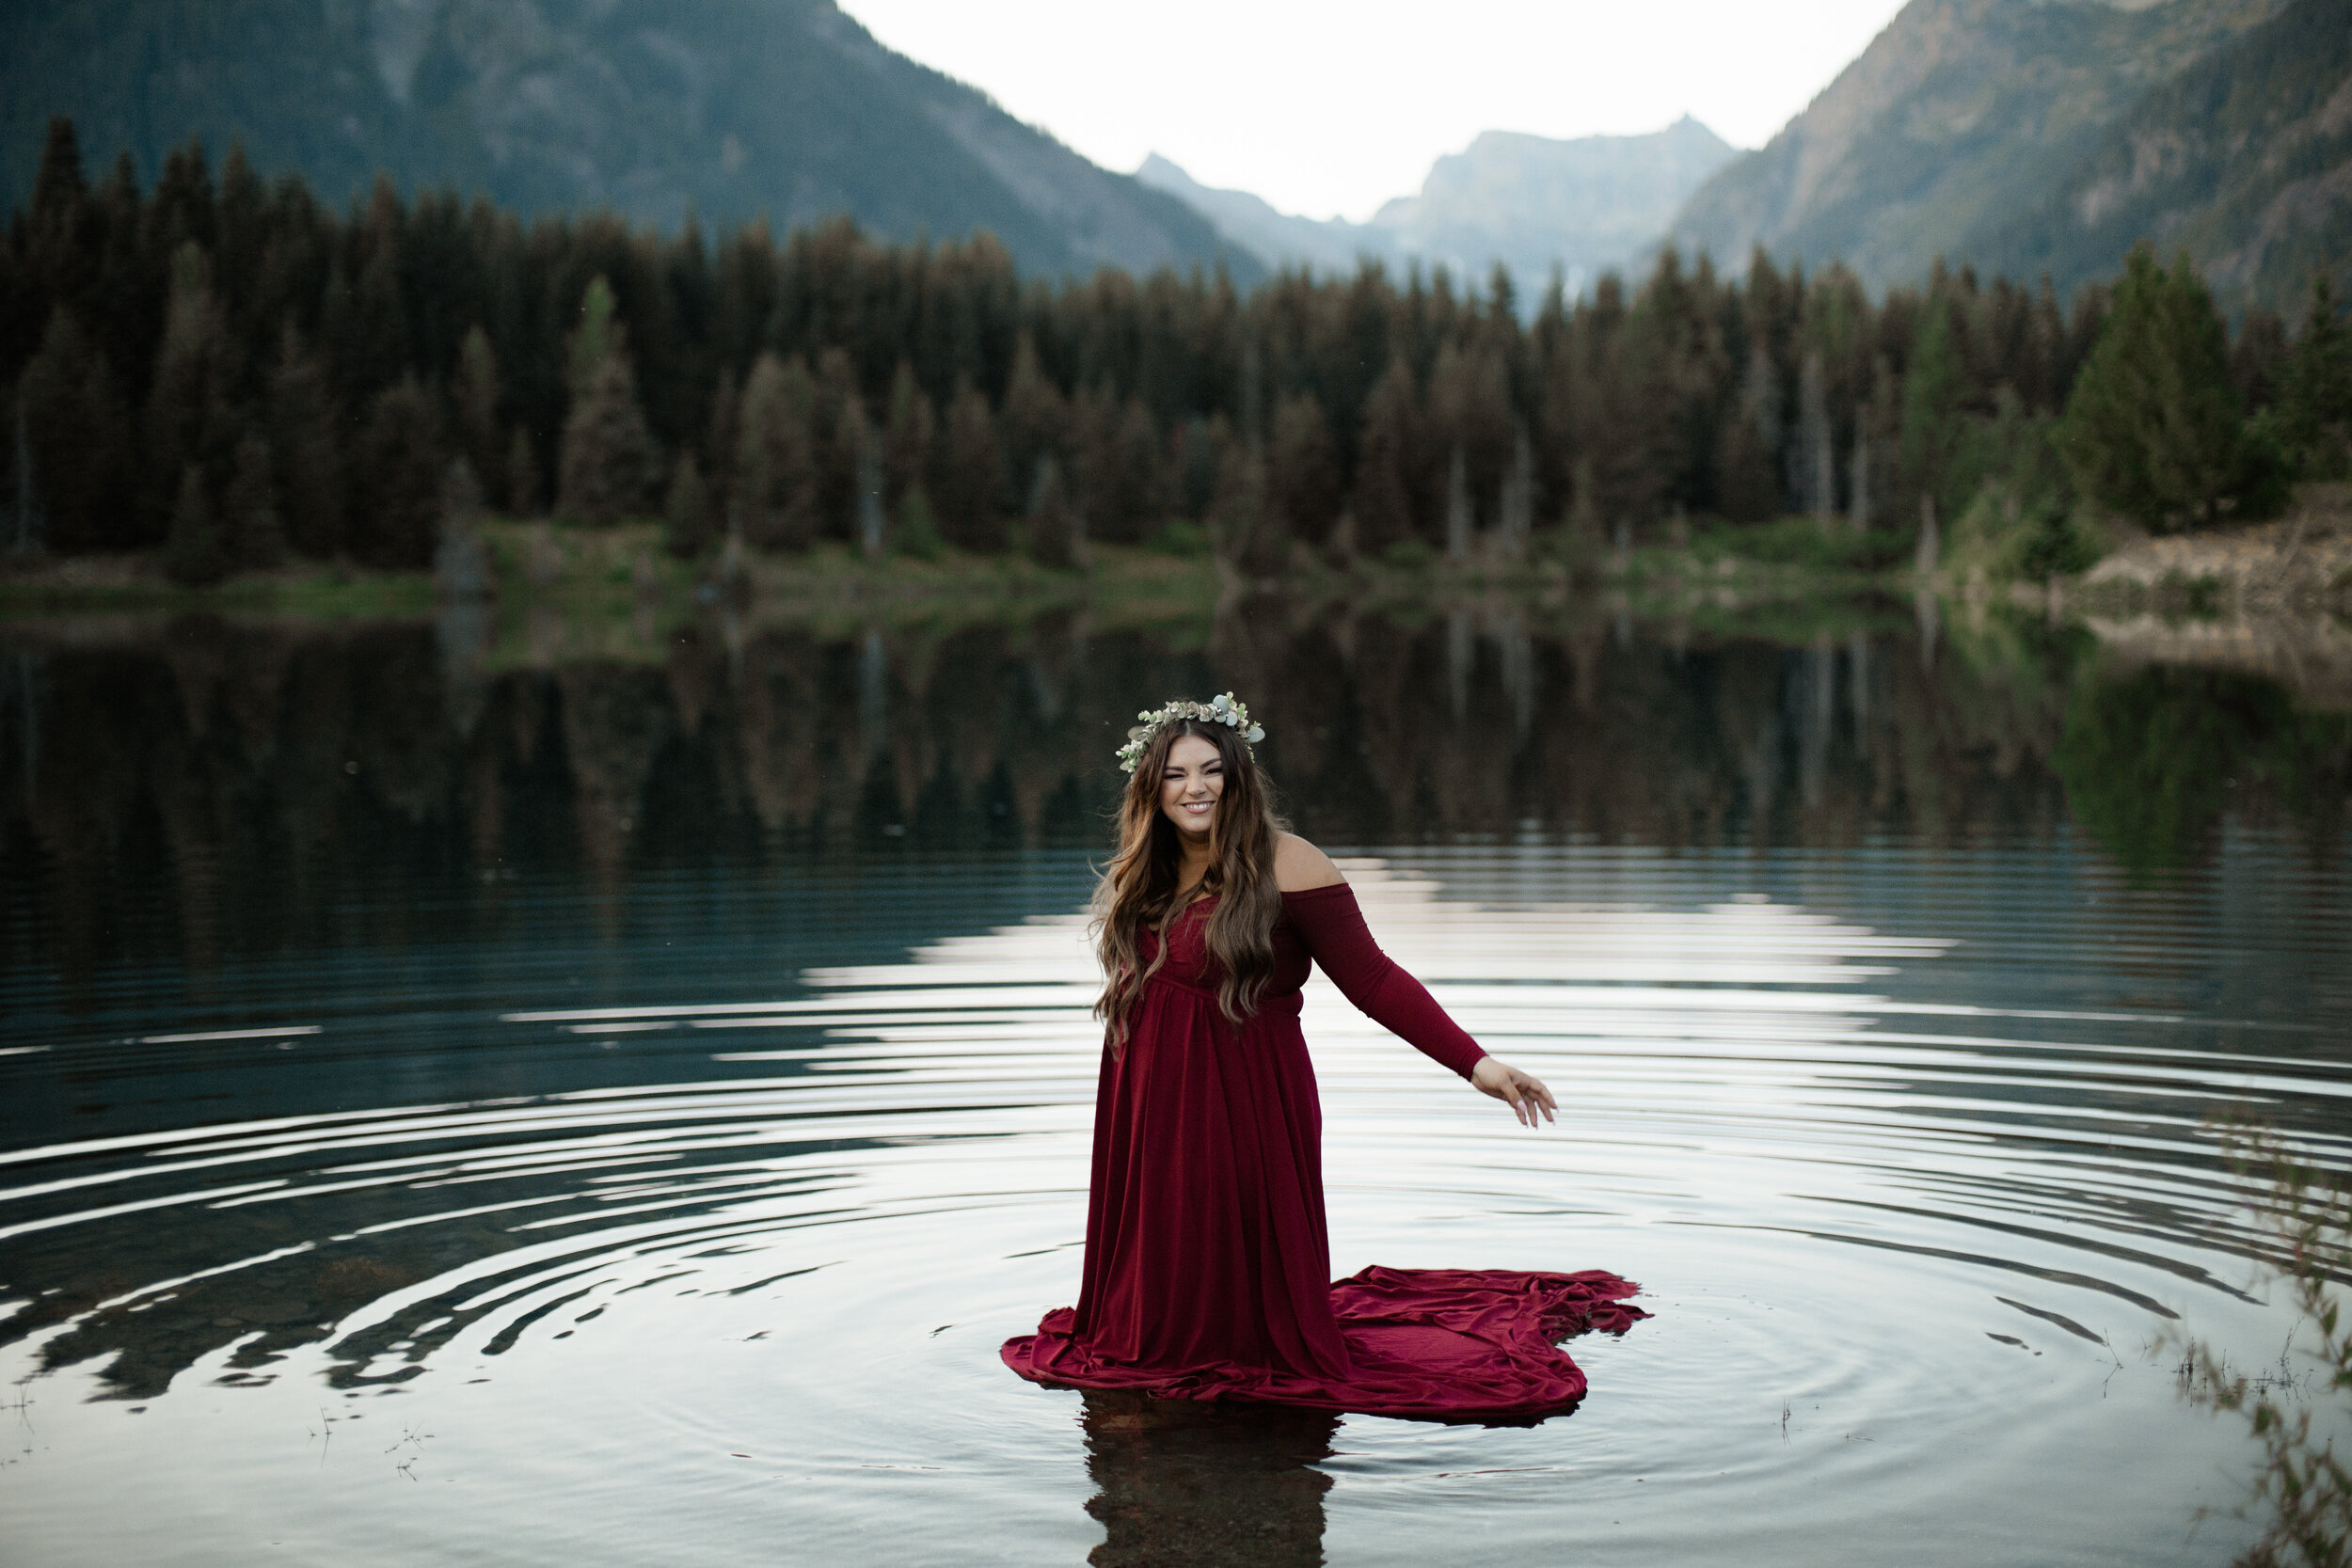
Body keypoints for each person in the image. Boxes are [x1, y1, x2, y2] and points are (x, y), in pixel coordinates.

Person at [1003, 696, 1643, 1422]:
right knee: (1163, 1295)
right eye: (1177, 774)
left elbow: (1371, 979)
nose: (1196, 788)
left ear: (1238, 777)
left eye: (1212, 770)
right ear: (1150, 786)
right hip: (1149, 1094)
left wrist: (1478, 1064)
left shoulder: (1288, 862)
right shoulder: (1141, 872)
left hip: (1244, 1093)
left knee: (1240, 1281)